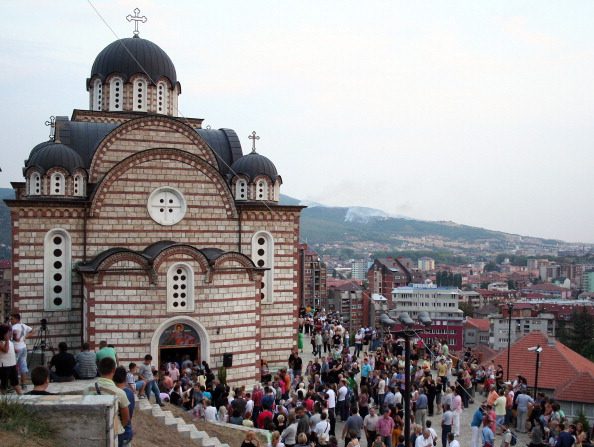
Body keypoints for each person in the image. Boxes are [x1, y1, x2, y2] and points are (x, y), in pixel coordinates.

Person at [88, 357, 130, 440]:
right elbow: (126, 418)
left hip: (95, 431)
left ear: (98, 370)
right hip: (115, 432)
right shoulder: (120, 393)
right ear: (114, 370)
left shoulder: (88, 389)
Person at [113, 366, 135, 446]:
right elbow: (129, 415)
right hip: (126, 433)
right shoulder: (129, 393)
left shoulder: (112, 392)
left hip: (117, 433)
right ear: (125, 378)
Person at [10, 313, 32, 387]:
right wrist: (25, 337)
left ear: (16, 319)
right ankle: (24, 384)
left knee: (13, 366)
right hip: (23, 347)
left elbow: (15, 338)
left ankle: (14, 384)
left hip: (16, 348)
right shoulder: (23, 325)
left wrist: (16, 338)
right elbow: (32, 331)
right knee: (23, 365)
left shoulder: (14, 327)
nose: (11, 320)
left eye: (12, 319)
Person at [0, 323, 22, 394]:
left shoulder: (10, 341)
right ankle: (3, 400)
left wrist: (16, 350)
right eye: (8, 332)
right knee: (4, 385)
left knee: (15, 383)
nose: (10, 333)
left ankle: (21, 396)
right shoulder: (1, 342)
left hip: (12, 364)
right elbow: (5, 350)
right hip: (4, 366)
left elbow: (11, 350)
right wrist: (6, 340)